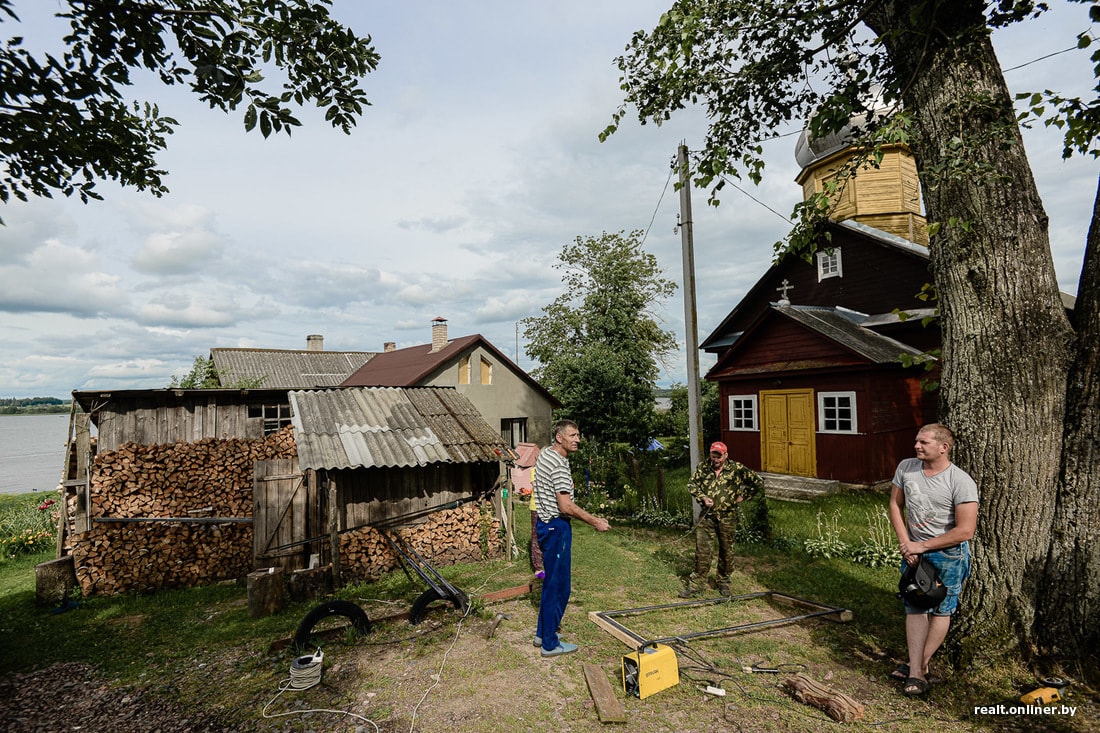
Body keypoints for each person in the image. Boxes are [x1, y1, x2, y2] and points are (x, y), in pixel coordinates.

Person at [887, 423, 978, 698]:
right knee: (914, 606)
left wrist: (921, 545)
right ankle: (916, 672)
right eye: (916, 441)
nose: (917, 446)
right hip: (913, 552)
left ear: (943, 447)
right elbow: (895, 504)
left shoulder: (960, 481)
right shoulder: (906, 467)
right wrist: (907, 545)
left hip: (948, 554)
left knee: (941, 609)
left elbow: (965, 530)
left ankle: (921, 664)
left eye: (924, 442)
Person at [532, 419, 610, 657]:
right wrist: (595, 521)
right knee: (559, 587)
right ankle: (550, 644)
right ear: (559, 437)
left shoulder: (546, 454)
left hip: (544, 525)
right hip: (557, 527)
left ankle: (541, 634)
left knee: (551, 583)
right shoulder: (558, 465)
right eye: (573, 435)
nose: (577, 440)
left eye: (578, 435)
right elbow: (565, 506)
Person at [680, 441, 764, 598]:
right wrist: (703, 497)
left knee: (727, 550)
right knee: (702, 550)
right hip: (707, 517)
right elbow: (692, 484)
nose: (716, 459)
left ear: (726, 455)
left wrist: (743, 496)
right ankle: (697, 584)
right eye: (714, 455)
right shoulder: (703, 467)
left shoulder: (737, 469)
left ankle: (723, 581)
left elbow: (758, 482)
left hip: (728, 517)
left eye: (719, 456)